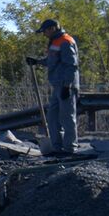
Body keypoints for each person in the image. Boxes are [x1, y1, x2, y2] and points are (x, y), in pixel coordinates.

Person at [26, 18, 80, 155]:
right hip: (57, 85)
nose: (44, 34)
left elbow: (71, 66)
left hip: (66, 85)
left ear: (52, 29)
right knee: (53, 117)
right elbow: (53, 61)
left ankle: (69, 149)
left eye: (44, 31)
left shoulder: (66, 41)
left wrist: (67, 86)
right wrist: (37, 62)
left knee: (67, 117)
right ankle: (57, 147)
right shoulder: (55, 42)